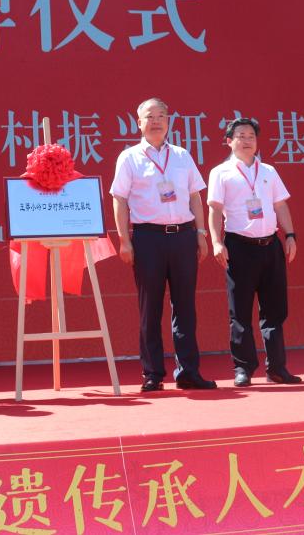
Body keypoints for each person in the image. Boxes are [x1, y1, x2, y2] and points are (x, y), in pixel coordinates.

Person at [110, 98, 214, 393]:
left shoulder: (182, 155)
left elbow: (195, 196)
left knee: (185, 306)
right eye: (149, 116)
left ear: (168, 121)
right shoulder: (129, 158)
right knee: (150, 308)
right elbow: (119, 199)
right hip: (148, 239)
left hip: (182, 236)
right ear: (139, 123)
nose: (156, 121)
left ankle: (188, 371)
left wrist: (201, 233)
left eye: (161, 116)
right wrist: (125, 240)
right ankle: (152, 373)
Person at [207, 117, 300, 387]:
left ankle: (277, 368)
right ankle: (243, 368)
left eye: (251, 136)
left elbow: (280, 205)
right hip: (239, 247)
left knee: (274, 310)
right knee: (240, 312)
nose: (247, 141)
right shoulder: (221, 173)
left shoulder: (268, 171)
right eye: (241, 136)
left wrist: (290, 236)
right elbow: (214, 210)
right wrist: (216, 242)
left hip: (270, 246)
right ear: (229, 141)